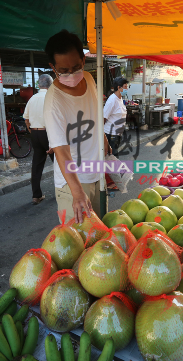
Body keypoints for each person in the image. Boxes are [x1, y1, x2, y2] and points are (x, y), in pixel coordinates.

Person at [43, 30, 111, 223]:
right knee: (80, 244)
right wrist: (77, 192)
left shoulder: (89, 79)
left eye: (76, 67)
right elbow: (61, 151)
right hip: (73, 183)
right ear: (53, 67)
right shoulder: (54, 101)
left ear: (83, 59)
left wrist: (104, 141)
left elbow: (96, 114)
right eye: (63, 71)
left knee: (102, 239)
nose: (71, 74)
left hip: (96, 172)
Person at [23, 74, 54, 205]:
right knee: (59, 163)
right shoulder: (51, 97)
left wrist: (32, 131)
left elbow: (26, 119)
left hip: (35, 134)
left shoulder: (32, 98)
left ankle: (36, 195)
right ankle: (64, 191)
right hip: (48, 134)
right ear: (50, 84)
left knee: (37, 165)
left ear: (39, 84)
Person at [104, 78, 128, 157]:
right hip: (111, 133)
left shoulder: (120, 99)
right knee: (113, 156)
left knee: (113, 156)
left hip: (117, 133)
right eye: (125, 87)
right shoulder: (112, 100)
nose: (126, 89)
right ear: (118, 87)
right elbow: (103, 117)